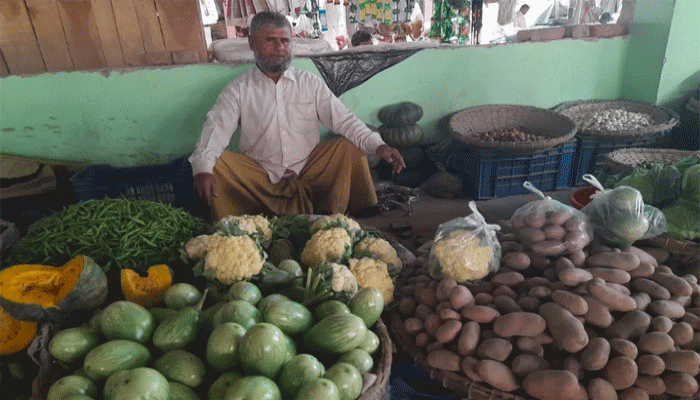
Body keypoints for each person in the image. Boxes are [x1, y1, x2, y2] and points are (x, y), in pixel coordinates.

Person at [189, 11, 405, 221]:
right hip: (260, 178)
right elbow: (215, 129)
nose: (279, 48)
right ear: (252, 43)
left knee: (347, 147)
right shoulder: (238, 89)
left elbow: (344, 120)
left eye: (285, 41)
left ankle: (352, 212)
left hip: (310, 172)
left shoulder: (309, 83)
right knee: (216, 164)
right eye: (270, 40)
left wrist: (379, 146)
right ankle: (243, 227)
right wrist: (203, 170)